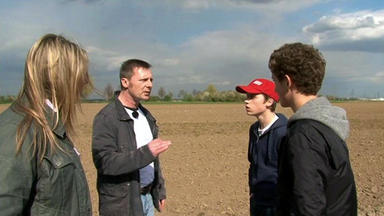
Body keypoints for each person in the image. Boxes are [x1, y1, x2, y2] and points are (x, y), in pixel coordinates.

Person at [0, 34, 93, 215]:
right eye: (81, 74)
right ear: (60, 76)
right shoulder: (18, 131)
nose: (85, 81)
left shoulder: (50, 125)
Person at [269, 42, 357, 215]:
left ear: (287, 82)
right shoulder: (328, 124)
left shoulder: (304, 134)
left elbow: (308, 204)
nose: (274, 88)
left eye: (275, 81)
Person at [92, 59, 171, 216]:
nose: (149, 85)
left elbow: (154, 160)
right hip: (122, 204)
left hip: (147, 199)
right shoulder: (107, 118)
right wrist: (146, 153)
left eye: (151, 80)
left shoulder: (147, 116)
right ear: (125, 82)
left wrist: (158, 189)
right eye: (143, 80)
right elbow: (105, 162)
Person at [236, 78, 287, 216]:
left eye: (253, 97)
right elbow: (253, 164)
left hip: (278, 206)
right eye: (247, 96)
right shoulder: (254, 130)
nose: (247, 101)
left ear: (269, 101)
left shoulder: (285, 133)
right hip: (258, 202)